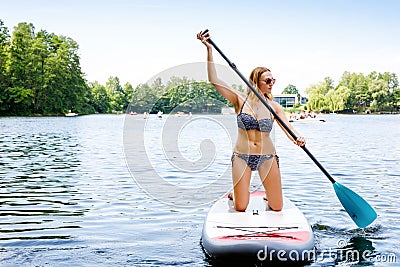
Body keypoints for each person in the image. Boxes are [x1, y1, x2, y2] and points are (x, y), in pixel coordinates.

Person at [197, 30, 306, 211]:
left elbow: (289, 129)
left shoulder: (274, 107)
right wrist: (209, 49)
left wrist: (298, 138)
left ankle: (267, 194)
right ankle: (235, 193)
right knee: (241, 207)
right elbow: (214, 80)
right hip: (242, 156)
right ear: (256, 82)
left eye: (273, 80)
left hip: (267, 156)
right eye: (268, 80)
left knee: (277, 206)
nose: (272, 83)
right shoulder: (240, 100)